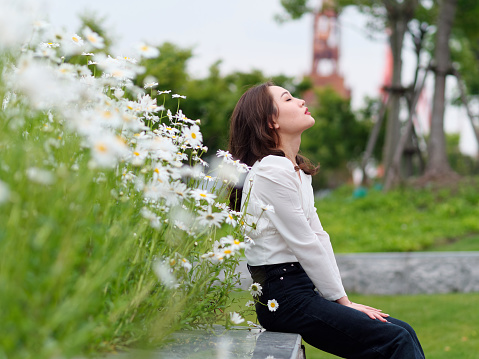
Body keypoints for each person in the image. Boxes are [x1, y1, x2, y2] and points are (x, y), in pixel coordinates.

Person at [228, 82, 425, 359]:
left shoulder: (294, 168)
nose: (299, 101)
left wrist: (342, 299)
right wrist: (342, 302)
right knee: (394, 340)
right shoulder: (272, 170)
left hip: (300, 291)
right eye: (288, 99)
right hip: (283, 299)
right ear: (271, 121)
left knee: (403, 332)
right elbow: (304, 242)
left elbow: (319, 236)